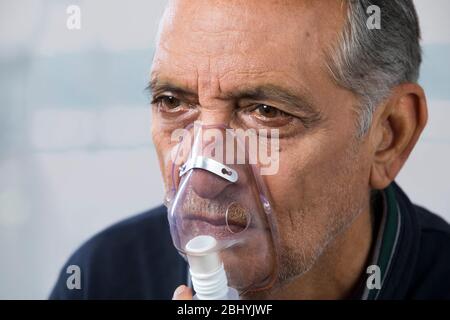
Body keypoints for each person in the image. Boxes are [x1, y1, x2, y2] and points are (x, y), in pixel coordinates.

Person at [50, 0, 450, 300]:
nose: (204, 181)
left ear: (389, 135)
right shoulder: (102, 279)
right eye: (173, 102)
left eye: (265, 112)